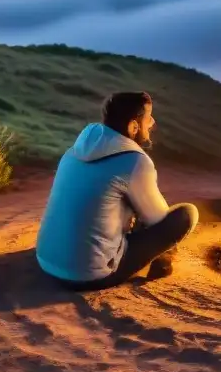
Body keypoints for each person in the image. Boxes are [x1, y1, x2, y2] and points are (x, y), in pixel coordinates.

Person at [36, 91, 198, 290]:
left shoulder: (73, 151)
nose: (153, 123)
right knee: (186, 215)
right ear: (133, 126)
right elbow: (158, 219)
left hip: (46, 261)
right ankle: (162, 264)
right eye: (148, 117)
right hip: (89, 275)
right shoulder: (135, 161)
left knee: (127, 203)